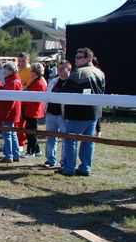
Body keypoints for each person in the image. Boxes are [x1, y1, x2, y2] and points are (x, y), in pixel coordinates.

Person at [58, 48, 106, 177]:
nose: (75, 60)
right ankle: (85, 168)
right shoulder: (100, 73)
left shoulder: (78, 73)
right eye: (76, 57)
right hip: (94, 113)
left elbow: (64, 91)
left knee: (70, 140)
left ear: (88, 59)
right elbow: (102, 92)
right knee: (88, 141)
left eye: (79, 58)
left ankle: (68, 169)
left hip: (78, 113)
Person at [0, 62, 22, 163]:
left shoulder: (13, 82)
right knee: (12, 133)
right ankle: (15, 155)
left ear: (11, 70)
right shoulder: (13, 81)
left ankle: (9, 156)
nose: (4, 72)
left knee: (7, 134)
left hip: (9, 112)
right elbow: (5, 93)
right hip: (12, 112)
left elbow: (6, 98)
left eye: (6, 70)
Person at [43, 60, 71, 168]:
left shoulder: (71, 83)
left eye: (62, 68)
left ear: (69, 70)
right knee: (50, 138)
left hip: (64, 115)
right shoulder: (53, 81)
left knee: (65, 140)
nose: (59, 70)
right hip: (51, 113)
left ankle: (64, 162)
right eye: (58, 68)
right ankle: (50, 160)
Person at [21, 62, 47, 157]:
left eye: (31, 71)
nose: (30, 72)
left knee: (31, 132)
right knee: (31, 132)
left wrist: (22, 100)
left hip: (33, 110)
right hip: (30, 110)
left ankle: (30, 151)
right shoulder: (35, 81)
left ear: (35, 72)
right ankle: (37, 150)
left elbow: (33, 99)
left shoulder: (39, 83)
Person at [16, 52, 32, 151]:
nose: (21, 63)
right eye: (19, 61)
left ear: (28, 60)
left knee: (23, 122)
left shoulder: (30, 71)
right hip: (18, 99)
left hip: (27, 100)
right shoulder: (17, 71)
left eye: (23, 61)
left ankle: (21, 142)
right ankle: (19, 140)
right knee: (18, 122)